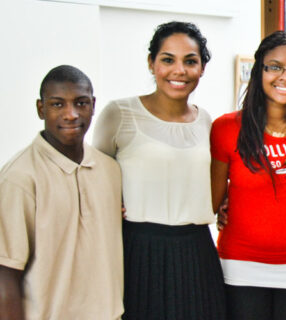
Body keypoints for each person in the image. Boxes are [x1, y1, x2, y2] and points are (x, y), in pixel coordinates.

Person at [92, 21, 225, 319]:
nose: (179, 70)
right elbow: (92, 182)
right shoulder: (119, 114)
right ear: (151, 64)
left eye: (190, 61)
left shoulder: (206, 121)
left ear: (202, 68)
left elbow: (207, 183)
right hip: (138, 251)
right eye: (168, 60)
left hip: (196, 251)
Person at [210, 31, 286, 320]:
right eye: (274, 66)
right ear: (259, 71)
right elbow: (212, 201)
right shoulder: (225, 128)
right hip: (239, 266)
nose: (285, 77)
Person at [0, 65, 123, 319]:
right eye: (58, 104)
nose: (71, 114)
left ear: (93, 105)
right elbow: (5, 273)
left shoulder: (111, 170)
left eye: (81, 103)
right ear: (40, 108)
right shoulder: (19, 177)